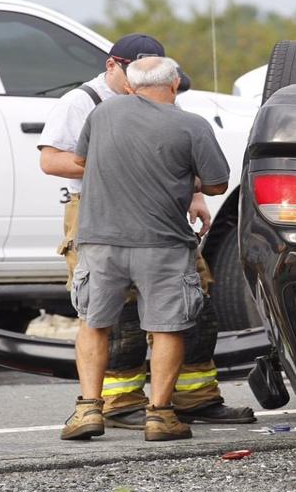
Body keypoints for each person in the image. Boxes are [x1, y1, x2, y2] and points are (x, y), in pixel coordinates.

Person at [38, 33, 255, 430]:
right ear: (112, 67)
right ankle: (120, 403)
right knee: (119, 317)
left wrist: (190, 194)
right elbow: (52, 161)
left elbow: (178, 160)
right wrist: (129, 166)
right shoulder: (84, 103)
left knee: (195, 301)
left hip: (157, 212)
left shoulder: (162, 104)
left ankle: (194, 397)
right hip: (97, 211)